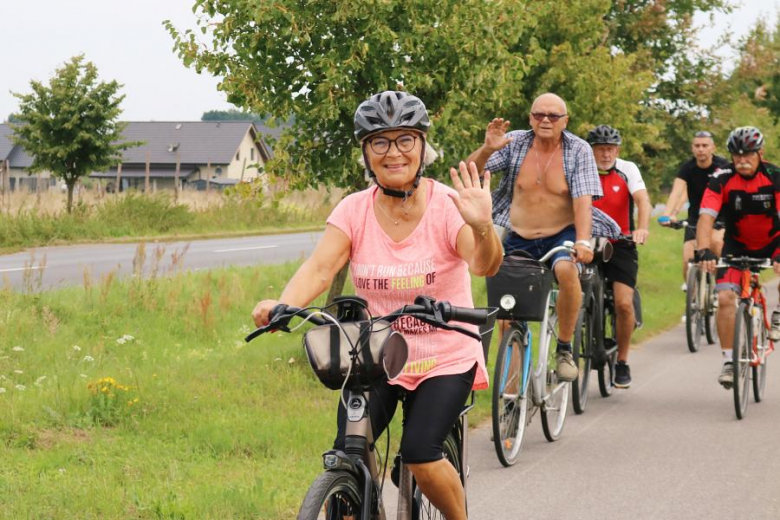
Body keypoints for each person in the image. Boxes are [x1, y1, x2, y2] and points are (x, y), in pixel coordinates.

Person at [251, 91, 503, 519]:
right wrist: (283, 304)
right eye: (380, 142)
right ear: (366, 152)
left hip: (444, 354)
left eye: (405, 139)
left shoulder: (447, 205)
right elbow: (320, 267)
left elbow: (484, 264)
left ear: (422, 146)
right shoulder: (353, 209)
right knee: (348, 452)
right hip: (376, 354)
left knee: (420, 453)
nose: (393, 152)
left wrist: (482, 227)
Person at [465, 93, 620, 382]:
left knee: (566, 270)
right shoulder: (515, 142)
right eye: (539, 115)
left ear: (565, 121)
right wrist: (487, 149)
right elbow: (470, 173)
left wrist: (583, 241)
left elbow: (583, 202)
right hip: (519, 236)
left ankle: (564, 349)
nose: (545, 120)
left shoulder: (578, 149)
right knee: (508, 312)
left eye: (553, 116)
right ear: (530, 118)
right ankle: (511, 391)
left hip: (561, 234)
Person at [696, 126, 780, 388]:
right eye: (737, 155)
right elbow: (706, 216)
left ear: (760, 154)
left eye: (748, 155)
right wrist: (703, 249)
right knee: (724, 298)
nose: (742, 160)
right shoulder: (721, 178)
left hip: (774, 243)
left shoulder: (774, 176)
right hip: (737, 245)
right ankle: (730, 361)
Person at [586, 125, 652, 389]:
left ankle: (622, 361)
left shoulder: (627, 169)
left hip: (620, 243)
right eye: (601, 149)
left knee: (623, 304)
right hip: (586, 242)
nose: (606, 154)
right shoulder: (581, 168)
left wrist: (642, 228)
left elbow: (642, 200)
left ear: (617, 150)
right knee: (573, 295)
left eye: (610, 149)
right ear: (591, 150)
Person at [659, 131, 730, 288]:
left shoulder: (722, 166)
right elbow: (676, 192)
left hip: (719, 218)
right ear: (692, 148)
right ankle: (693, 297)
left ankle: (720, 287)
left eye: (705, 145)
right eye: (697, 146)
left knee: (717, 245)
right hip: (695, 219)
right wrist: (667, 214)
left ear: (713, 148)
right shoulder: (687, 168)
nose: (701, 149)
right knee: (687, 260)